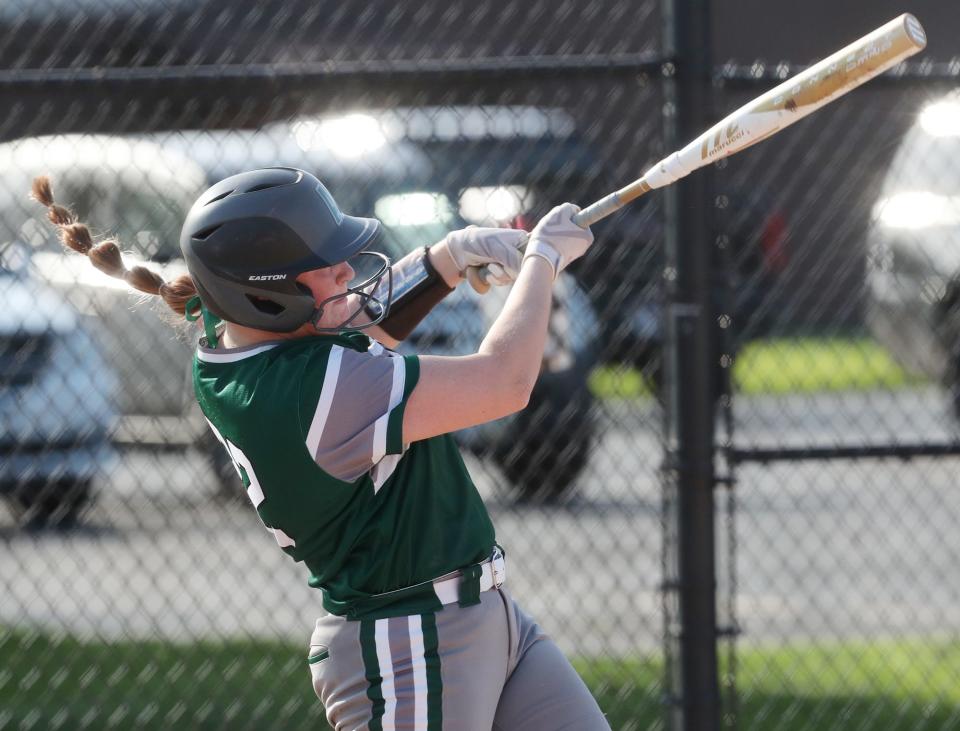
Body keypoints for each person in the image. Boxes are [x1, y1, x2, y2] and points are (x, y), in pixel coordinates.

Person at [32, 167, 610, 730]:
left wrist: (449, 257)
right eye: (320, 267)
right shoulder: (314, 393)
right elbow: (503, 383)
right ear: (267, 298)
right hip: (409, 643)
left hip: (484, 617)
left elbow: (358, 317)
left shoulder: (228, 344)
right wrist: (543, 262)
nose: (343, 271)